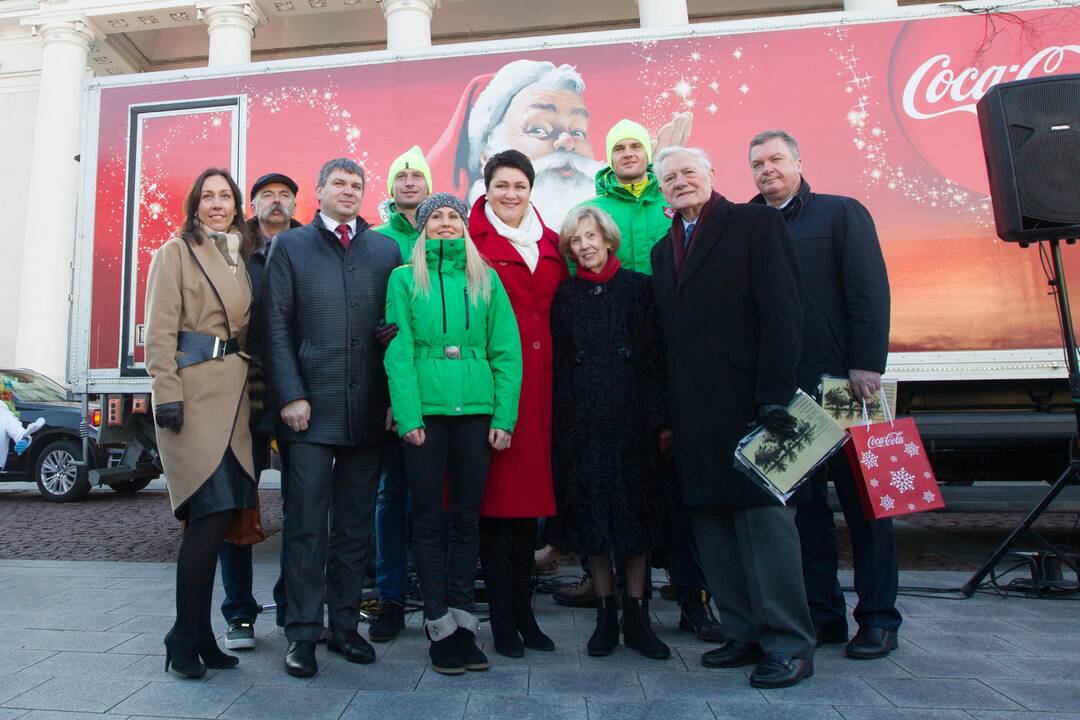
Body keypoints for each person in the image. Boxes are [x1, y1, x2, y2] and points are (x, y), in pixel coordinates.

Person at [650, 147, 816, 689]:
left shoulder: (754, 223)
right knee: (714, 525)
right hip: (694, 412)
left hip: (751, 404)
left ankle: (788, 643)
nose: (680, 182)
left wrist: (774, 393)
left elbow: (784, 311)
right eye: (669, 178)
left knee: (764, 525)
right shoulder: (661, 249)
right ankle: (742, 632)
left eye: (688, 173)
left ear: (711, 176)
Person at [570, 119, 722, 644]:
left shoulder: (670, 205)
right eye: (619, 148)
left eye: (636, 146)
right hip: (597, 397)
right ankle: (608, 605)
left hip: (657, 363)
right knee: (606, 505)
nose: (629, 154)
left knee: (668, 501)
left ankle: (692, 599)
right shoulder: (596, 207)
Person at [749, 129, 899, 659]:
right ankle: (824, 616)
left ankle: (879, 619)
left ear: (797, 161)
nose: (766, 169)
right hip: (786, 398)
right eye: (757, 163)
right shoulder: (749, 224)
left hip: (845, 386)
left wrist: (867, 364)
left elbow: (868, 288)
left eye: (775, 159)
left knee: (868, 507)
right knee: (806, 513)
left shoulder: (840, 213)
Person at [264, 157, 401, 678]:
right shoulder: (291, 246)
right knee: (304, 528)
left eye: (356, 185)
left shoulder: (384, 249)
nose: (348, 191)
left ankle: (345, 626)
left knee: (353, 528)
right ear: (318, 192)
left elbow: (397, 329)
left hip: (367, 411)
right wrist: (290, 395)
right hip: (309, 414)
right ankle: (302, 633)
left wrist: (393, 399)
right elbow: (275, 326)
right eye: (338, 184)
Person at [383, 192, 522, 674]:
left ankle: (465, 623)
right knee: (427, 519)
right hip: (426, 412)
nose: (445, 223)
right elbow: (397, 354)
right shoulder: (404, 279)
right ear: (421, 229)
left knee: (466, 518)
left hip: (476, 412)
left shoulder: (486, 279)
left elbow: (506, 350)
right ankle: (438, 625)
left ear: (464, 225)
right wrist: (408, 416)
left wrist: (504, 418)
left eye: (452, 216)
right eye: (435, 217)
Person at [145, 168, 258, 679]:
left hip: (233, 401)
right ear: (195, 205)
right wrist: (165, 393)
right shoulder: (175, 253)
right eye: (208, 196)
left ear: (236, 205)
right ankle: (181, 635)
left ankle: (201, 634)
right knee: (207, 520)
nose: (217, 203)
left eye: (226, 196)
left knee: (222, 519)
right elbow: (160, 331)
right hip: (191, 399)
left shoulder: (238, 258)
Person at [550, 205, 670, 660]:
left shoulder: (640, 290)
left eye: (590, 237)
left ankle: (637, 618)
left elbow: (656, 359)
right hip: (584, 426)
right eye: (575, 241)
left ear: (608, 239)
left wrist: (661, 422)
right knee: (594, 521)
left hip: (633, 424)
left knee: (634, 520)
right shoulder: (565, 297)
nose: (584, 246)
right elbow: (561, 366)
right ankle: (605, 615)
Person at [469, 149, 567, 658]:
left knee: (528, 510)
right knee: (496, 508)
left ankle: (526, 613)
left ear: (532, 190)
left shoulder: (551, 242)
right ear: (487, 190)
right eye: (502, 185)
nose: (511, 195)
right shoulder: (469, 241)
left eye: (520, 186)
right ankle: (502, 617)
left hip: (545, 391)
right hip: (495, 390)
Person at [429, 59, 692, 226]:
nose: (567, 142)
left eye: (578, 132)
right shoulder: (463, 234)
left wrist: (651, 183)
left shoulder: (613, 212)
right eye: (539, 129)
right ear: (487, 156)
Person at [217, 171, 302, 651]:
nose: (276, 202)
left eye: (285, 195)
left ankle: (293, 607)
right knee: (238, 503)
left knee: (302, 505)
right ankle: (239, 614)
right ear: (252, 203)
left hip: (295, 391)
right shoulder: (231, 249)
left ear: (295, 203)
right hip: (242, 392)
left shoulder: (310, 244)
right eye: (267, 195)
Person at [368, 146, 433, 643]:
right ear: (391, 188)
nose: (409, 182)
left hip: (443, 393)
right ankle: (390, 595)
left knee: (434, 498)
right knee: (392, 494)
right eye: (401, 175)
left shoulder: (446, 234)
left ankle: (437, 591)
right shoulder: (377, 241)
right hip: (392, 391)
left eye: (417, 176)